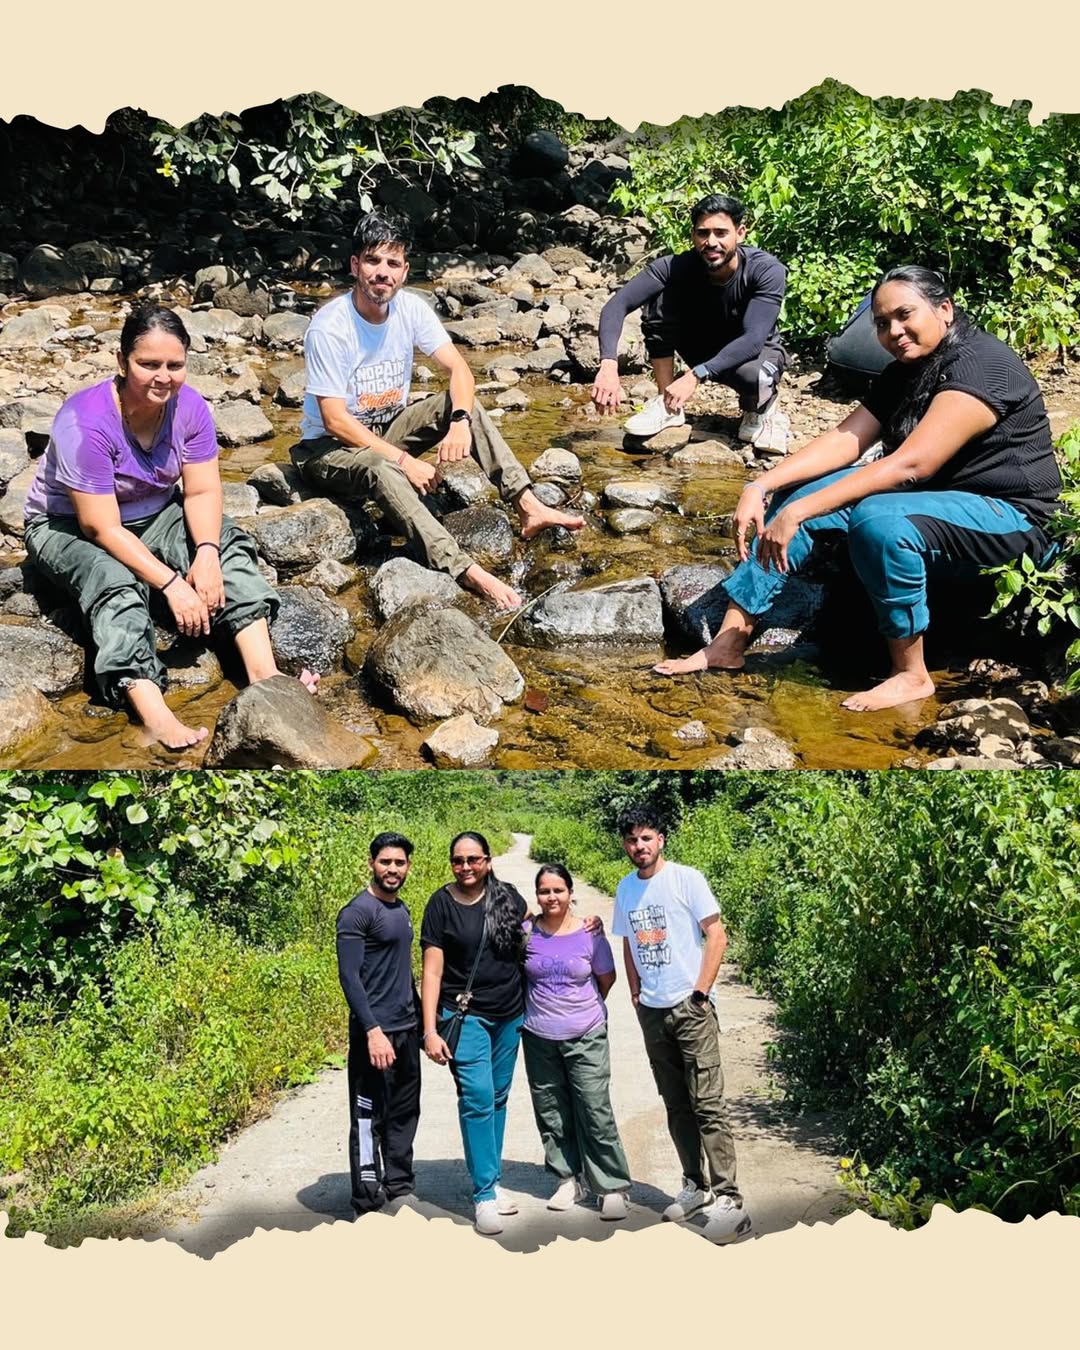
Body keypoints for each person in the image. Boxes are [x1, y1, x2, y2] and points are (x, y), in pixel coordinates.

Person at [654, 265, 1064, 712]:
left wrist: (798, 513)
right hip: (937, 504)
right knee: (802, 493)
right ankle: (728, 644)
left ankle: (911, 674)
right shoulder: (907, 371)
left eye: (905, 315)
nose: (894, 331)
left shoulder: (983, 364)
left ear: (944, 309)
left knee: (877, 521)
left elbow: (912, 463)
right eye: (882, 323)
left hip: (1008, 518)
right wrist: (763, 484)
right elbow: (845, 440)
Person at [22, 302, 317, 750]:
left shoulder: (190, 407)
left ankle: (264, 673)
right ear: (122, 362)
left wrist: (206, 554)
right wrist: (173, 585)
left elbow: (200, 493)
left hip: (155, 511)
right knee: (116, 583)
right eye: (148, 364)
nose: (163, 376)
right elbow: (100, 528)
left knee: (229, 542)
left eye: (174, 365)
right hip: (66, 524)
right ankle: (153, 712)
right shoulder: (85, 421)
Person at [290, 210, 584, 612]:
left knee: (459, 402)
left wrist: (460, 422)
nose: (383, 272)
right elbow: (334, 419)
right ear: (355, 265)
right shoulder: (331, 326)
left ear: (405, 271)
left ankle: (528, 506)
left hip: (384, 429)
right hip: (327, 449)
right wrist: (404, 461)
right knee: (383, 468)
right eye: (373, 261)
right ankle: (464, 569)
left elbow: (459, 369)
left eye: (393, 263)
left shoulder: (410, 309)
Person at [611, 806, 752, 1244]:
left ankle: (730, 1197)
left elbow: (717, 934)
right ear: (626, 845)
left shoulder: (686, 879)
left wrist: (700, 992)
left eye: (646, 838)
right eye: (632, 840)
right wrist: (635, 996)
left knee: (707, 1103)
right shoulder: (624, 889)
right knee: (675, 1105)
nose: (640, 847)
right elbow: (630, 945)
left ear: (661, 839)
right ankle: (695, 1185)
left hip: (690, 1008)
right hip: (652, 1012)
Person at [592, 192, 790, 452]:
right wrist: (608, 364)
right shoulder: (674, 266)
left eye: (721, 233)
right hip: (705, 343)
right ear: (693, 236)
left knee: (754, 378)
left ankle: (763, 409)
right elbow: (617, 306)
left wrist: (696, 374)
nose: (711, 242)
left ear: (740, 233)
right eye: (702, 233)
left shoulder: (765, 270)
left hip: (753, 353)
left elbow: (753, 340)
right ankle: (667, 404)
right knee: (658, 302)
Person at [420, 831, 528, 1235]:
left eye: (473, 859)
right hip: (466, 1018)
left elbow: (531, 938)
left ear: (487, 860)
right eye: (458, 860)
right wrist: (429, 1029)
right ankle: (483, 1193)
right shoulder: (441, 905)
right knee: (478, 1098)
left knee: (498, 1097)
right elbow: (431, 971)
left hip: (509, 1015)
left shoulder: (509, 897)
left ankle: (493, 1179)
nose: (466, 867)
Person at [520, 863, 632, 1221]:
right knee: (551, 1111)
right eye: (544, 891)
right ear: (536, 896)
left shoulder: (590, 933)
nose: (551, 897)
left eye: (558, 890)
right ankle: (568, 1179)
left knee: (594, 1109)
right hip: (539, 1035)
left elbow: (606, 978)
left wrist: (579, 1009)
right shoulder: (526, 932)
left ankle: (611, 1185)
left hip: (586, 1033)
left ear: (570, 892)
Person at [336, 832, 422, 1217]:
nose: (393, 869)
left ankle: (400, 1184)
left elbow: (403, 973)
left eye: (399, 863)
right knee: (369, 1115)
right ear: (371, 863)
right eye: (386, 862)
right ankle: (367, 1197)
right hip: (375, 1031)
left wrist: (423, 1026)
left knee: (404, 1111)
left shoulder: (401, 910)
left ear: (408, 867)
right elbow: (350, 978)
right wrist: (372, 1031)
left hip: (405, 1028)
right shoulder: (357, 912)